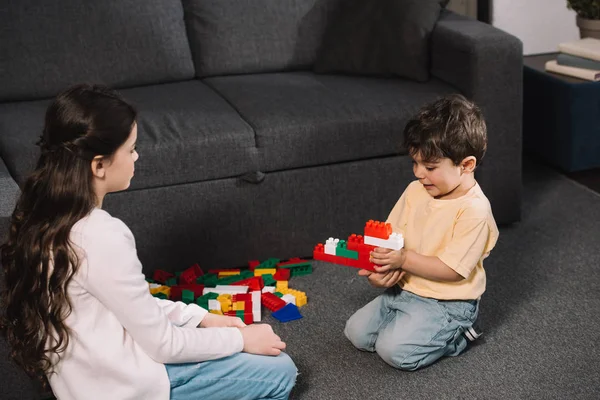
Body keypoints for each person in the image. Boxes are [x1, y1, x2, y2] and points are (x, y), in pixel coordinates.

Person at [0, 83, 297, 400]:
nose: (136, 156)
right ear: (99, 165)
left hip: (86, 383)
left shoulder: (43, 213)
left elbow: (124, 302)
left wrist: (200, 318)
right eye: (130, 149)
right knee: (280, 371)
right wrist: (239, 340)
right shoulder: (101, 234)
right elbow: (163, 344)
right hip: (128, 387)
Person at [344, 94, 499, 371]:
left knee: (395, 352)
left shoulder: (474, 211)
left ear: (466, 165)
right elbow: (391, 235)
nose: (418, 173)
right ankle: (411, 325)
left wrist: (402, 260)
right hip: (407, 288)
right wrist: (379, 270)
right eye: (414, 163)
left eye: (429, 167)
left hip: (449, 302)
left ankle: (458, 335)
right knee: (356, 333)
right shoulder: (416, 190)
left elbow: (453, 270)